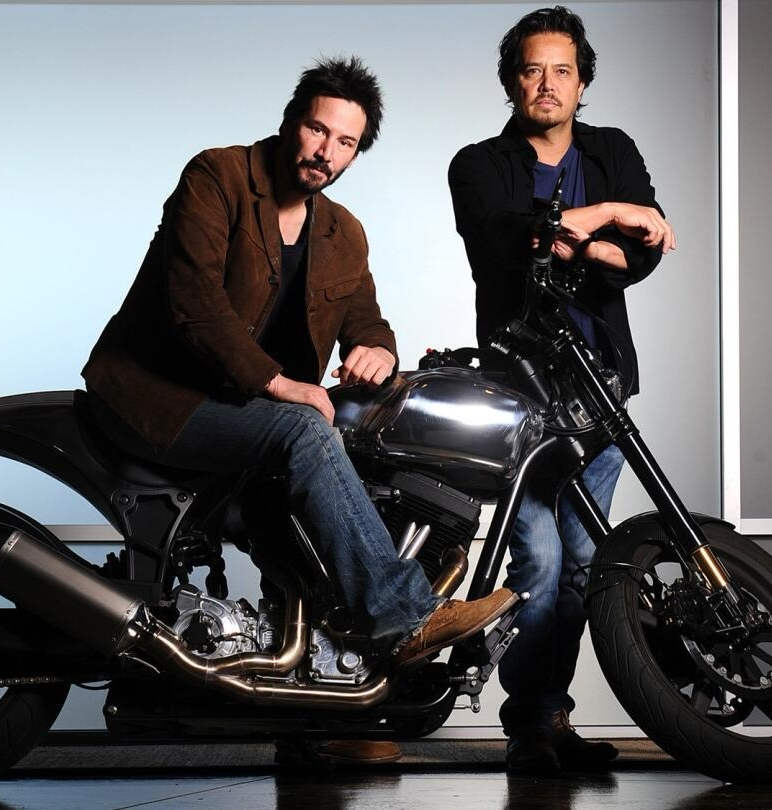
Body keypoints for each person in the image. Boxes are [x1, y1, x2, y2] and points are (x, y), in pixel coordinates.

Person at [83, 57, 517, 679]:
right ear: (291, 121)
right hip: (160, 400)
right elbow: (194, 305)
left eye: (345, 143)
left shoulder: (343, 232)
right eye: (318, 129)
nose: (325, 152)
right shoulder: (218, 176)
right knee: (304, 429)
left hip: (241, 411)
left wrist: (378, 350)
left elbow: (366, 318)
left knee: (353, 448)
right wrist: (282, 385)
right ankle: (404, 618)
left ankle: (325, 678)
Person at [448, 7, 675, 776]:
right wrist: (610, 216)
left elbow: (646, 251)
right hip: (520, 401)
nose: (547, 84)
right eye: (532, 69)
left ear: (582, 83)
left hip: (602, 392)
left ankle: (549, 718)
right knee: (540, 565)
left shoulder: (613, 149)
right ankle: (525, 726)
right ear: (512, 81)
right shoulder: (478, 165)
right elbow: (504, 241)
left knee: (583, 566)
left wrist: (590, 237)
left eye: (563, 71)